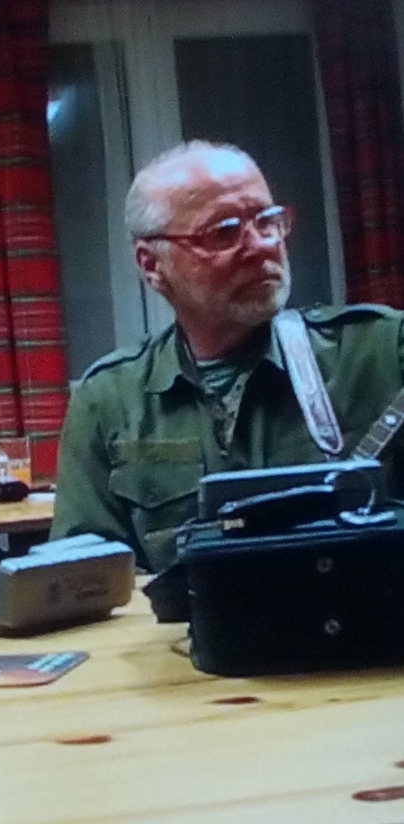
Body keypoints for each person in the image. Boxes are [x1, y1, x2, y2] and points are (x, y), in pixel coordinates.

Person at [50, 140, 404, 573]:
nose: (261, 246)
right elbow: (85, 585)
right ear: (151, 265)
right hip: (181, 620)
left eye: (267, 221)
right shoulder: (109, 399)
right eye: (223, 232)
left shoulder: (381, 350)